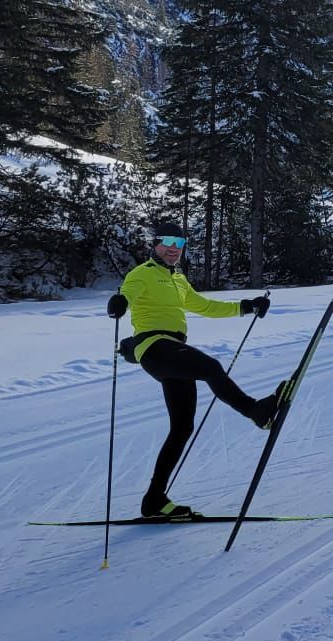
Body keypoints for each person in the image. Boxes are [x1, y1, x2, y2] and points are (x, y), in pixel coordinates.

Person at [109, 219, 284, 521]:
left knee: (182, 428)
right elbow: (129, 292)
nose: (174, 249)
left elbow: (203, 306)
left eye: (180, 244)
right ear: (155, 244)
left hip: (172, 353)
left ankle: (154, 500)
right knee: (210, 367)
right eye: (168, 242)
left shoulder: (178, 279)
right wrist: (121, 301)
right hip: (155, 346)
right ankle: (256, 411)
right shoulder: (142, 274)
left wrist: (246, 306)